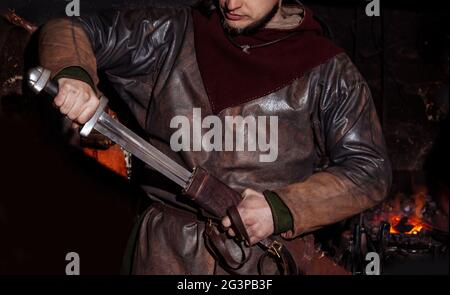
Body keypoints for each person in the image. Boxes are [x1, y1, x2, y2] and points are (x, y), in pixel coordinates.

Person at [38, 0, 392, 274]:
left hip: (262, 260)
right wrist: (73, 71)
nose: (231, 4)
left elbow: (370, 170)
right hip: (166, 253)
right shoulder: (171, 35)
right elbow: (69, 27)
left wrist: (282, 208)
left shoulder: (328, 69)